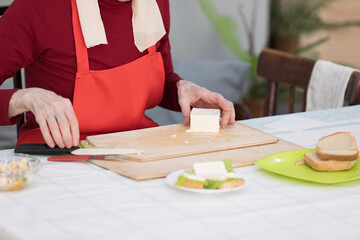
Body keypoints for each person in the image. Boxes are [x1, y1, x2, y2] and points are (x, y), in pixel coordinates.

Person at [0, 0, 235, 149]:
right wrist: (24, 98)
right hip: (60, 157)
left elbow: (160, 80)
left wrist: (183, 90)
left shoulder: (154, 4)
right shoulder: (40, 7)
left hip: (136, 152)